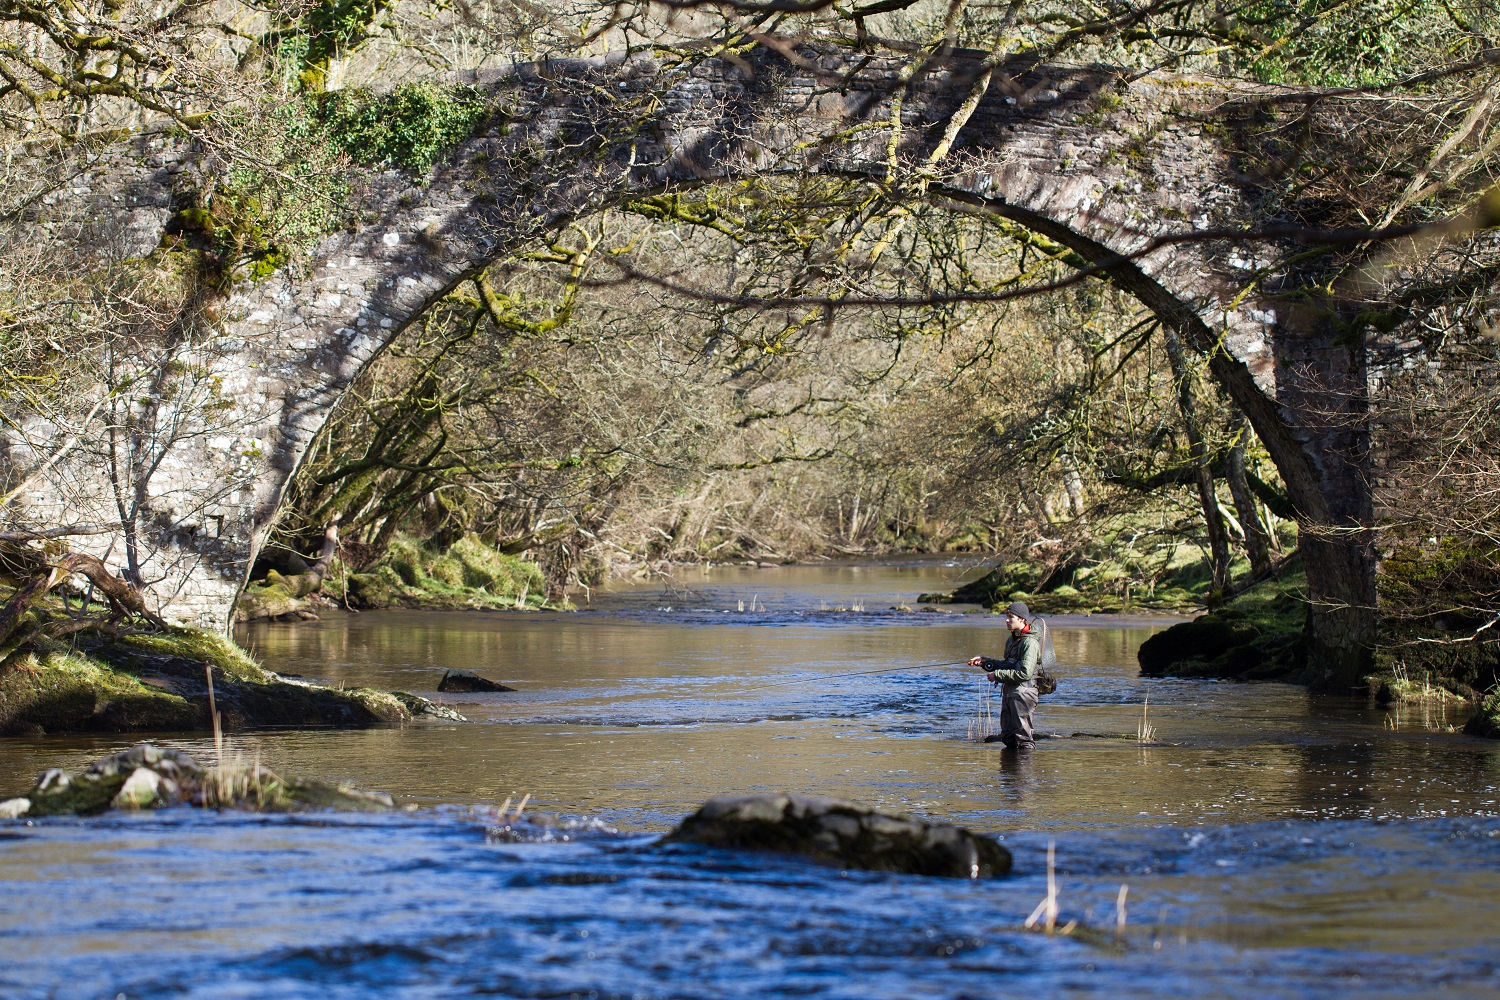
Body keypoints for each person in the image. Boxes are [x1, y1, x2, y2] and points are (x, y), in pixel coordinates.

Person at [967, 600, 1041, 750]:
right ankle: (1009, 773)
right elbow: (1009, 664)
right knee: (1008, 736)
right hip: (1010, 692)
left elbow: (1025, 673)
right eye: (1006, 616)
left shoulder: (1030, 643)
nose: (1007, 620)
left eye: (1010, 617)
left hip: (1024, 694)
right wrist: (985, 662)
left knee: (1024, 739)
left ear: (1021, 619)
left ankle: (1024, 773)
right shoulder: (1012, 640)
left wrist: (998, 675)